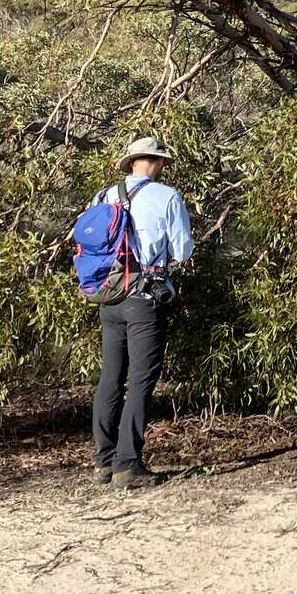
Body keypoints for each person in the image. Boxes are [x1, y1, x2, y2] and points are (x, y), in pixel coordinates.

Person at [87, 135, 194, 488]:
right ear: (158, 162)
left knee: (110, 378)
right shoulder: (167, 196)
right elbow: (182, 251)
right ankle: (128, 465)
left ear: (132, 162)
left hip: (109, 296)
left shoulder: (104, 196)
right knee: (141, 382)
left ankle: (104, 461)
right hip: (146, 298)